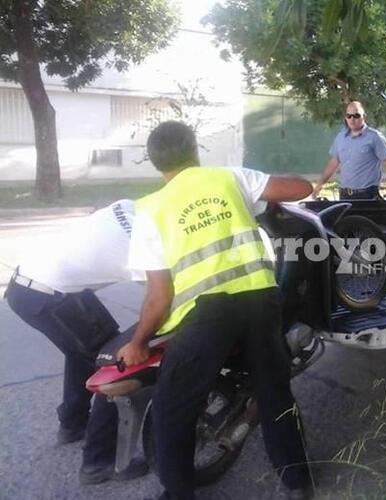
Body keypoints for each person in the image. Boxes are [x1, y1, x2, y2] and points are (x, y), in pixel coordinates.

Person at [116, 121, 313, 500]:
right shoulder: (229, 177)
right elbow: (300, 189)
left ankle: (179, 493)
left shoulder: (150, 209)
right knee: (274, 392)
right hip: (260, 300)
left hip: (207, 316)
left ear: (155, 162)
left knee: (173, 406)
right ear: (195, 150)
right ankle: (297, 482)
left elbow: (158, 296)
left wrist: (138, 342)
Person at [4, 200, 148, 484]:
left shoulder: (128, 205)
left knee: (85, 352)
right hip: (48, 295)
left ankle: (72, 423)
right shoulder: (148, 247)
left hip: (34, 285)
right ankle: (98, 462)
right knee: (116, 367)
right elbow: (161, 297)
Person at [312, 101, 386, 200]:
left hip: (367, 195)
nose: (352, 119)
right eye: (349, 116)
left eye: (356, 116)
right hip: (344, 195)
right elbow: (334, 162)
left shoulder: (374, 137)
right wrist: (319, 185)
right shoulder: (341, 137)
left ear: (364, 117)